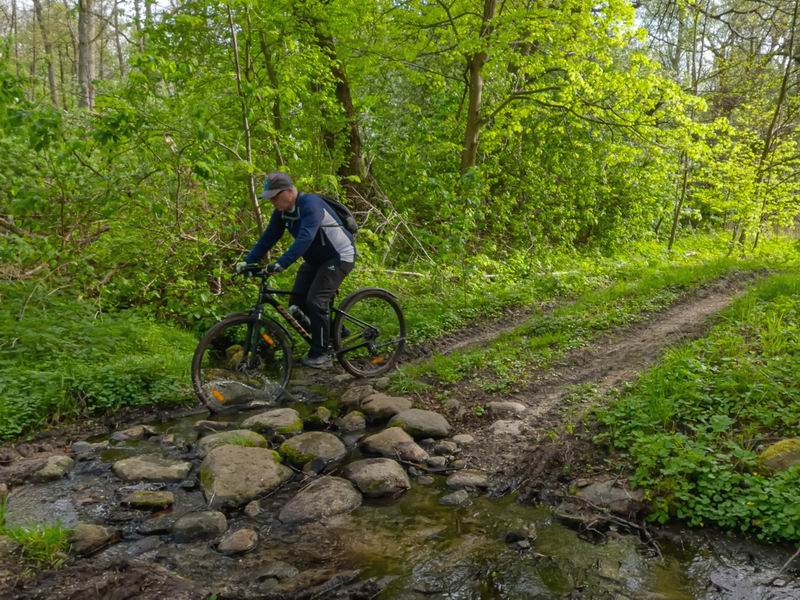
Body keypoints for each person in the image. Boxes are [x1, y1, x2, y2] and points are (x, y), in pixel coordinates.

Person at [237, 172, 356, 369]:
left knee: (316, 301)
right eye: (270, 197)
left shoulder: (310, 205)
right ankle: (332, 333)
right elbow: (268, 238)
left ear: (290, 191)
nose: (273, 201)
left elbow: (305, 238)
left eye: (275, 196)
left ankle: (322, 353)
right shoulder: (281, 213)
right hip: (315, 260)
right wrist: (248, 262)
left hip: (339, 256)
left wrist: (281, 263)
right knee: (296, 304)